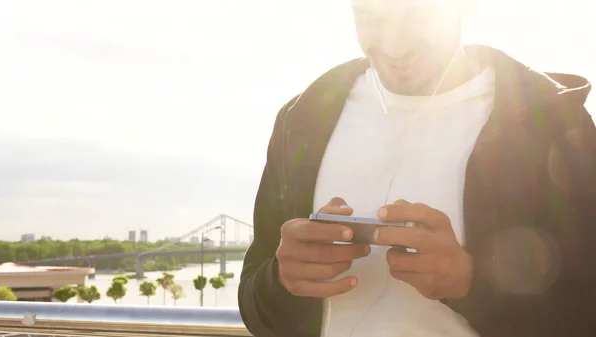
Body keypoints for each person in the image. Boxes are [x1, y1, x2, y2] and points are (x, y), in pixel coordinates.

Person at [238, 0, 596, 336]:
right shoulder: (301, 120)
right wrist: (281, 281)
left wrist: (472, 284)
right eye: (371, 17)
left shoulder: (552, 124)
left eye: (417, 16)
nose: (394, 47)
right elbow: (256, 307)